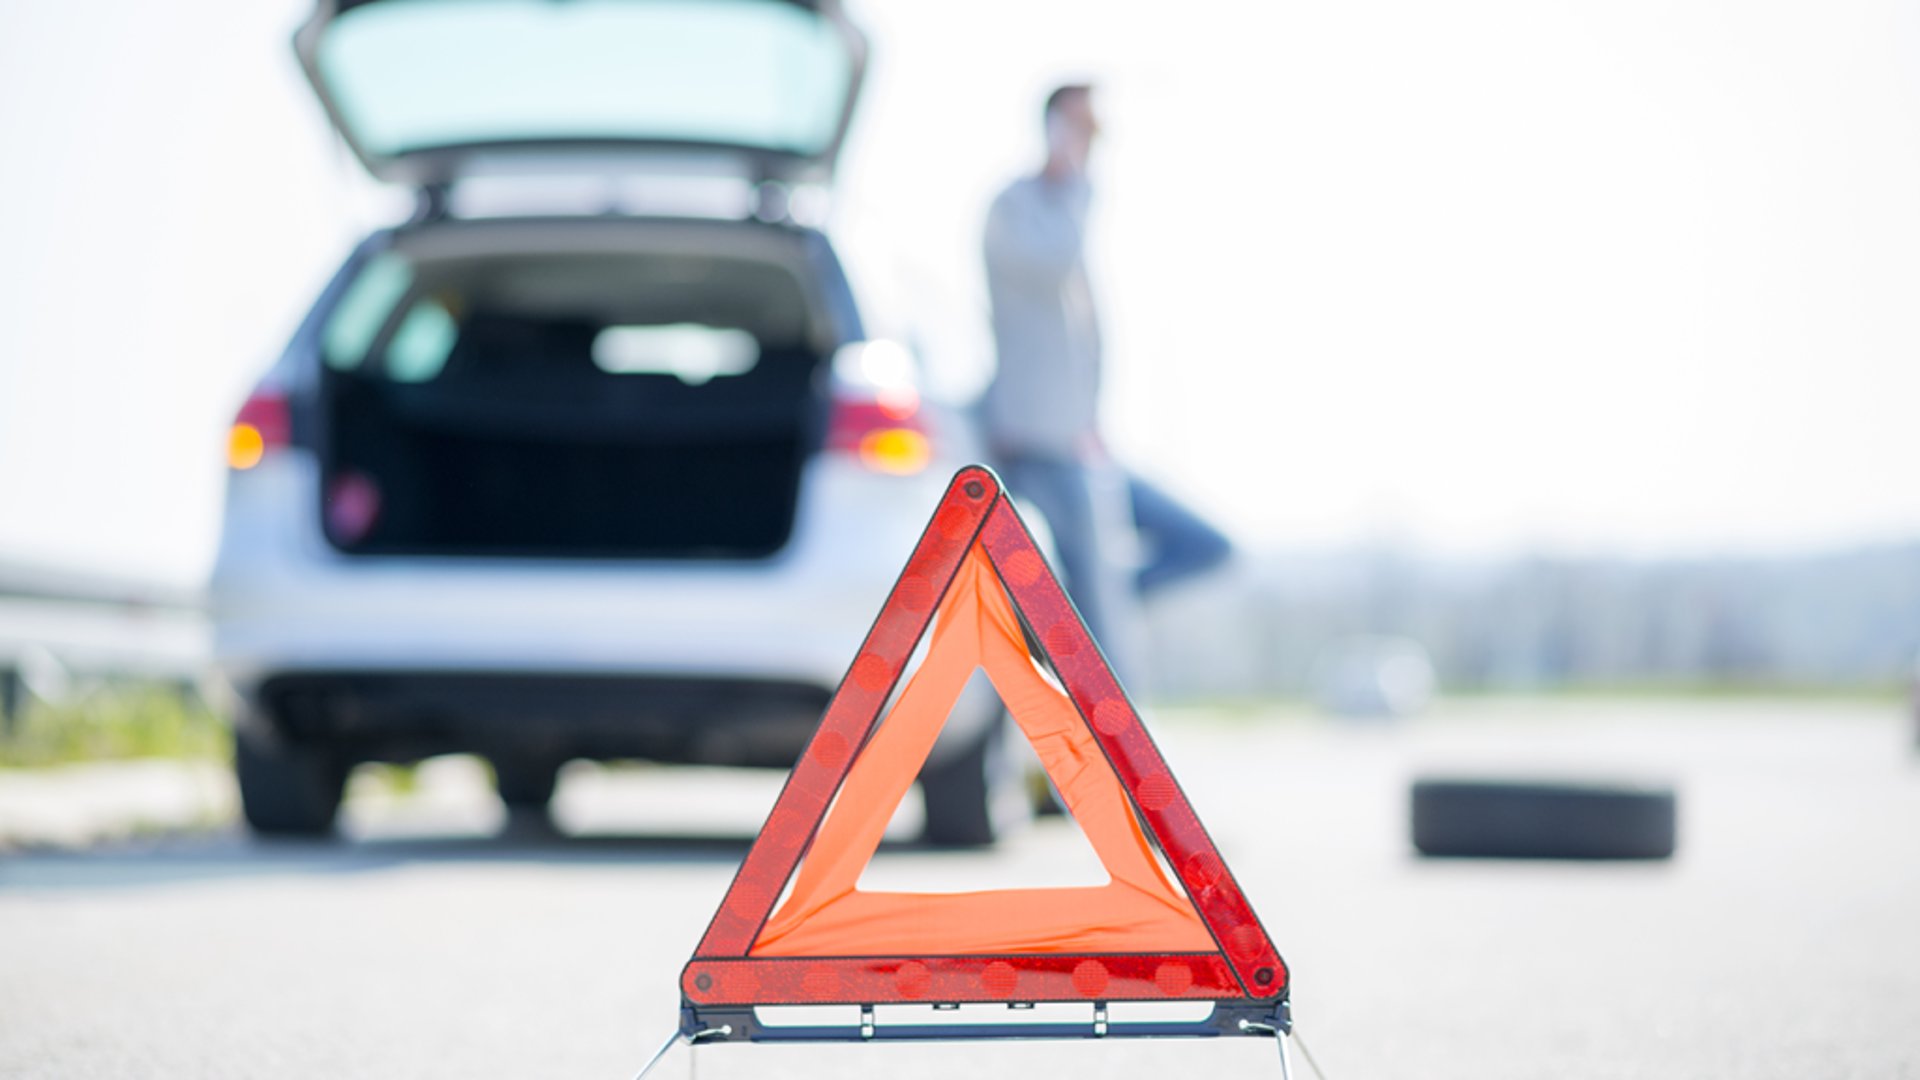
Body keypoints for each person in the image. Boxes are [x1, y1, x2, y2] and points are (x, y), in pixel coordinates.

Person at [981, 83, 1231, 687]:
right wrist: (1073, 181)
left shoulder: (1064, 209)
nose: (1088, 146)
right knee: (1099, 643)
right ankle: (1102, 769)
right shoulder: (1018, 208)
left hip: (1086, 446)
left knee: (1204, 546)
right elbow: (1052, 264)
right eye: (1079, 129)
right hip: (1037, 447)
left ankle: (1079, 609)